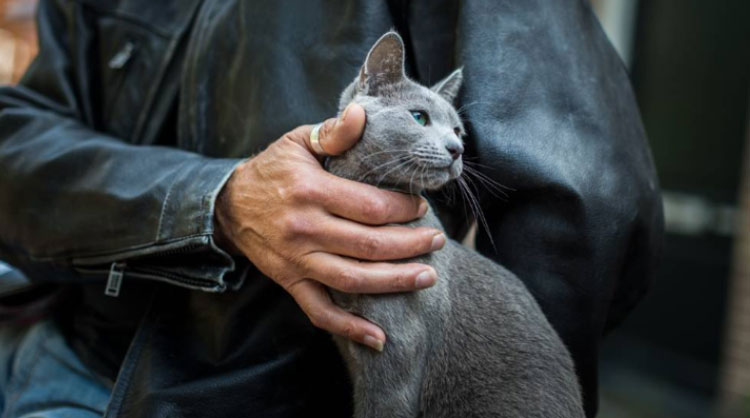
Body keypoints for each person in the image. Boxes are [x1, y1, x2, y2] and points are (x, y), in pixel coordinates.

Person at [0, 0, 663, 417]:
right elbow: (16, 139)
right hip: (62, 358)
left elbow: (584, 190)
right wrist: (219, 198)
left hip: (289, 394)